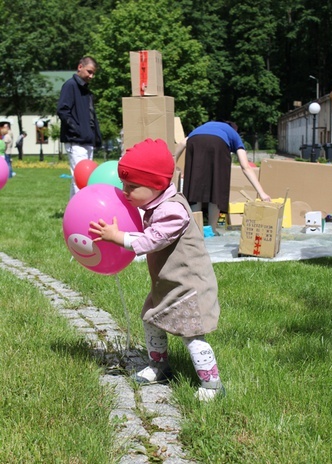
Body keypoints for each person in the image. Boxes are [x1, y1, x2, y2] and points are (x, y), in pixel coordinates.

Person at [89, 138, 224, 402]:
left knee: (192, 335)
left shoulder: (173, 210)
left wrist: (117, 237)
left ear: (156, 186)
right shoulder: (154, 204)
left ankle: (212, 384)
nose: (125, 192)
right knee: (151, 319)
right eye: (123, 185)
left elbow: (151, 240)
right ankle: (159, 366)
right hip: (167, 283)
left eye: (131, 186)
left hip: (188, 286)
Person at [175, 120, 271, 234]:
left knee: (194, 187)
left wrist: (171, 164)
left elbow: (181, 144)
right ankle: (212, 229)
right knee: (217, 187)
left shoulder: (202, 127)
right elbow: (245, 167)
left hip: (194, 141)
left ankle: (195, 230)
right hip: (218, 143)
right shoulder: (233, 133)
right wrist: (262, 193)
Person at [57, 56, 102, 198]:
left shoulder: (85, 91)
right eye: (89, 71)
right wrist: (77, 130)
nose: (91, 76)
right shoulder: (70, 85)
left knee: (81, 178)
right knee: (82, 179)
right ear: (80, 67)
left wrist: (96, 136)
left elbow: (90, 116)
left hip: (87, 141)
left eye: (93, 73)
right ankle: (82, 212)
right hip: (76, 141)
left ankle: (74, 209)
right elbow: (63, 111)